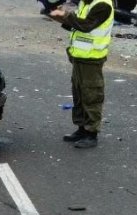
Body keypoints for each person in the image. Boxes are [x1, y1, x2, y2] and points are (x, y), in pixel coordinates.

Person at [49, 0, 114, 148]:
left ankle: (91, 134)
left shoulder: (102, 5)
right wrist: (59, 17)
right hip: (79, 56)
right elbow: (76, 25)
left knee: (91, 96)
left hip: (92, 59)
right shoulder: (86, 3)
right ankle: (81, 129)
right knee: (79, 94)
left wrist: (66, 15)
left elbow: (86, 25)